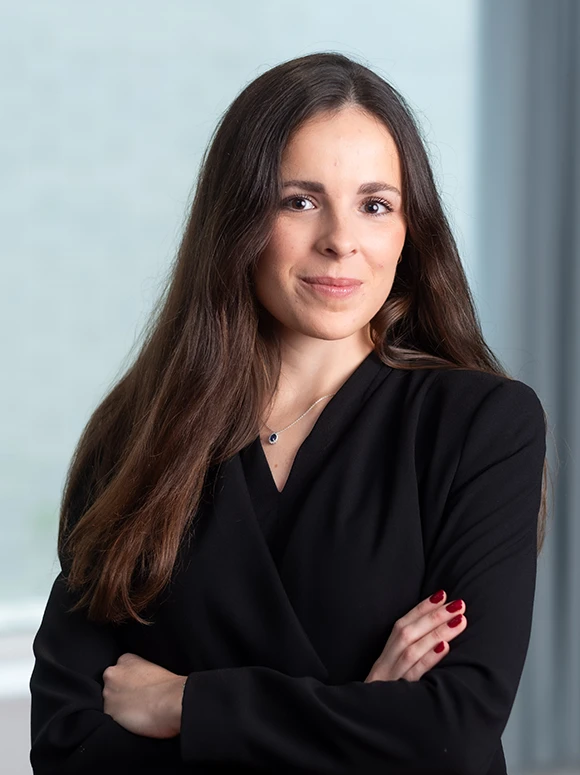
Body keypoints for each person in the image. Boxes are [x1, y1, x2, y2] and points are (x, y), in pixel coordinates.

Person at [29, 51, 548, 774]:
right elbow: (69, 746)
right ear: (239, 219)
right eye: (299, 200)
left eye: (375, 204)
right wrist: (359, 713)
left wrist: (189, 704)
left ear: (409, 230)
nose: (341, 239)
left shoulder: (482, 425)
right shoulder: (138, 435)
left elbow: (452, 733)